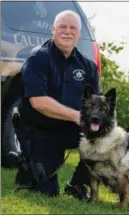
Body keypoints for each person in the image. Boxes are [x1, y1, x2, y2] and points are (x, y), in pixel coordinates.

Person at [15, 10, 100, 199]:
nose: (67, 31)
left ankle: (78, 184)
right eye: (62, 26)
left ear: (79, 33)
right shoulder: (38, 59)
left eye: (73, 28)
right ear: (53, 30)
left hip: (71, 129)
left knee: (103, 139)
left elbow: (96, 104)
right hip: (40, 130)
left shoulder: (88, 66)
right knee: (46, 191)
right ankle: (28, 169)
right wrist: (76, 116)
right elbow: (38, 102)